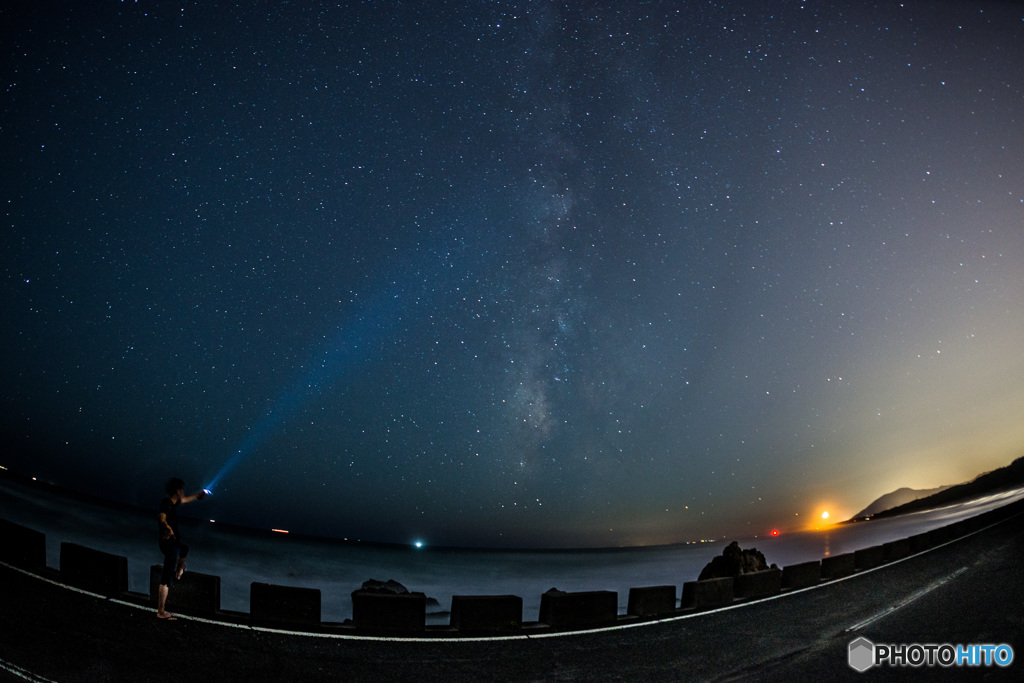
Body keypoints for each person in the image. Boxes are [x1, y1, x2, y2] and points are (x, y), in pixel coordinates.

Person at [156, 477, 207, 620]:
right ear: (178, 491)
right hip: (169, 545)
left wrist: (198, 495)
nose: (183, 493)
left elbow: (185, 500)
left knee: (184, 549)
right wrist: (166, 528)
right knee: (166, 578)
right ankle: (161, 611)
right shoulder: (166, 503)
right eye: (182, 490)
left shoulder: (174, 502)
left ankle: (180, 569)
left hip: (175, 545)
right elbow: (161, 517)